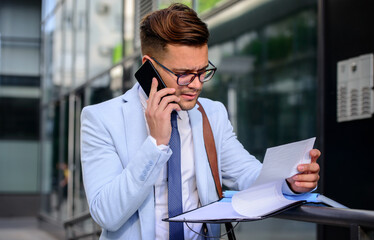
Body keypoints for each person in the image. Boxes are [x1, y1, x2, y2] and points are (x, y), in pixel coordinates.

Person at [80, 3, 320, 240]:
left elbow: (246, 173)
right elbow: (106, 214)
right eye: (183, 74)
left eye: (202, 71)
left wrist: (290, 181)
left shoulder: (212, 114)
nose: (196, 84)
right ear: (149, 66)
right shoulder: (101, 119)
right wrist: (155, 144)